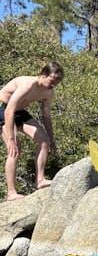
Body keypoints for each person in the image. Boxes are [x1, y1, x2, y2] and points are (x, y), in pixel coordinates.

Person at [0, 61, 64, 200]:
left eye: (57, 82)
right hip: (3, 109)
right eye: (52, 80)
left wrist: (52, 139)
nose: (54, 84)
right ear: (44, 74)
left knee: (44, 141)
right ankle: (11, 192)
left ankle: (40, 180)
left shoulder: (49, 92)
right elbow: (9, 111)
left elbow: (46, 117)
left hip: (19, 111)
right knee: (15, 150)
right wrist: (11, 139)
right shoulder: (28, 84)